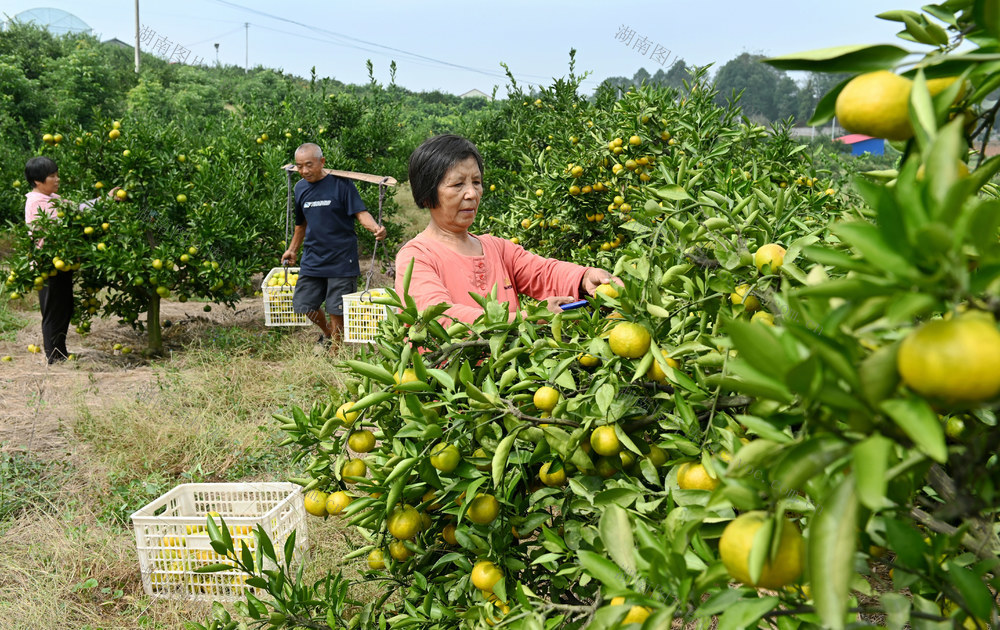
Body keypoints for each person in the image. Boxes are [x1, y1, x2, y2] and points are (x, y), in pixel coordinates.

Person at [396, 134, 620, 325]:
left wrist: (585, 277)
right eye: (457, 185)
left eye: (476, 182)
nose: (472, 194)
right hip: (448, 372)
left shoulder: (497, 248)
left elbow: (543, 273)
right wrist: (527, 318)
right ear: (427, 195)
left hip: (504, 373)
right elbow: (439, 318)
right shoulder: (417, 257)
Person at [282, 143, 387, 346]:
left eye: (309, 165)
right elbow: (301, 225)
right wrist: (292, 250)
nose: (303, 171)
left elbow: (361, 214)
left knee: (336, 309)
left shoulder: (342, 185)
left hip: (341, 258)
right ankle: (328, 333)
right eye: (299, 166)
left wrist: (376, 228)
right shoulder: (300, 188)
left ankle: (336, 351)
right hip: (313, 257)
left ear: (322, 162)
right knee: (305, 304)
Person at [23, 156, 73, 364]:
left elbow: (78, 209)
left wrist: (103, 201)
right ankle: (54, 356)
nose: (57, 179)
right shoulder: (36, 202)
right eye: (52, 176)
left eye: (56, 174)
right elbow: (55, 227)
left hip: (62, 262)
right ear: (38, 181)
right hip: (48, 266)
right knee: (53, 310)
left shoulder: (53, 198)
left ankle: (60, 352)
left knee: (64, 307)